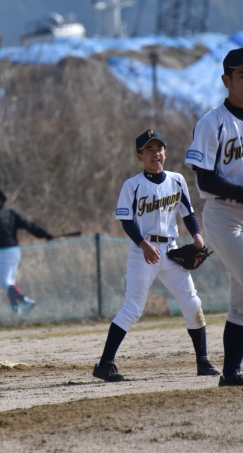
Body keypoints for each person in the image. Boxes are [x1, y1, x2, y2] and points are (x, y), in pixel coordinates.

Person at [93, 129, 220, 382]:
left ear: (166, 152)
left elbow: (187, 213)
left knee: (192, 303)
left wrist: (197, 236)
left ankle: (203, 362)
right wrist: (143, 244)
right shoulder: (132, 185)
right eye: (149, 150)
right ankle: (104, 364)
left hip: (171, 250)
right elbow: (126, 221)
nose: (155, 153)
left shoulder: (177, 180)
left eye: (159, 148)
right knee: (132, 308)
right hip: (143, 252)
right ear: (139, 156)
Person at [184, 47, 243, 386]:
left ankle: (231, 373)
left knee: (241, 303)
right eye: (242, 75)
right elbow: (205, 178)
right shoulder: (213, 122)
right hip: (224, 214)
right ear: (226, 80)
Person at [0, 189, 53, 314]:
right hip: (15, 251)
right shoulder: (11, 213)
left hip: (4, 252)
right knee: (10, 283)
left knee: (5, 283)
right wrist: (44, 234)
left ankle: (25, 301)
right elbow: (29, 225)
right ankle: (16, 312)